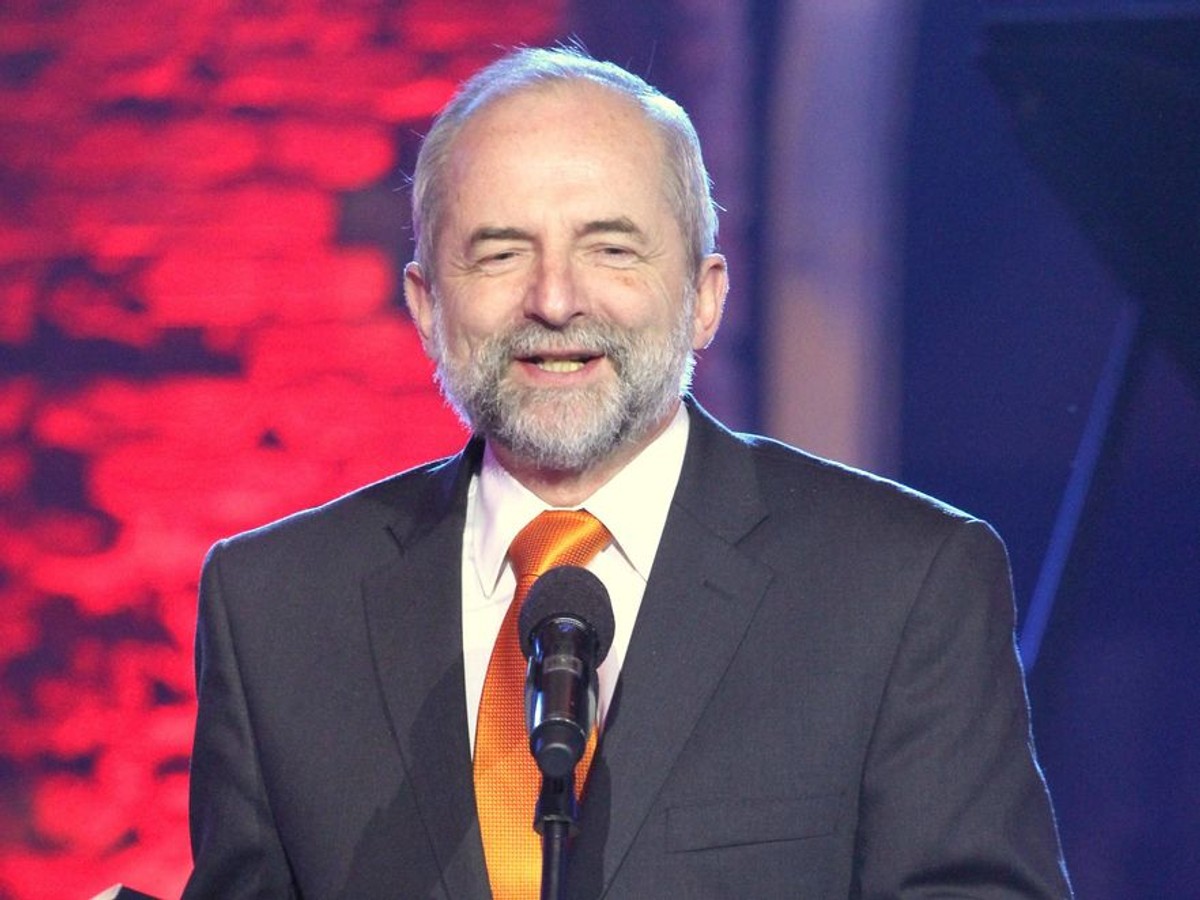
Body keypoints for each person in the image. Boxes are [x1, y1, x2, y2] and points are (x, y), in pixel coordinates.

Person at [184, 46, 1072, 899]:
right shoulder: (273, 607)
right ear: (426, 306)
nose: (555, 299)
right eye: (500, 253)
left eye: (611, 249)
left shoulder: (904, 585)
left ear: (705, 297)